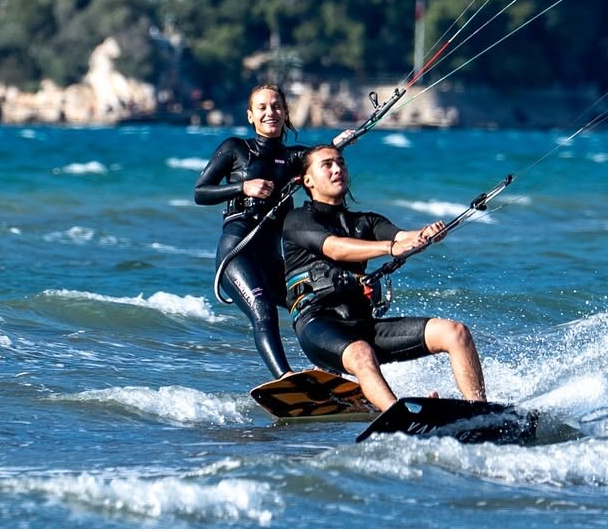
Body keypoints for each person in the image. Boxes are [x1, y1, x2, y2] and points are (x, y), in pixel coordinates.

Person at [282, 144, 487, 412]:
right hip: (318, 324)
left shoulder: (366, 221)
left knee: (455, 333)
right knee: (361, 352)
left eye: (341, 163)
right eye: (327, 165)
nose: (337, 169)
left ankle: (481, 411)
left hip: (363, 324)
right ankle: (397, 415)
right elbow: (335, 248)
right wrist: (390, 248)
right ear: (307, 180)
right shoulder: (297, 220)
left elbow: (403, 237)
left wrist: (425, 234)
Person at [194, 83, 306, 378]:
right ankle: (286, 379)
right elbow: (200, 192)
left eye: (277, 106)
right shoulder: (236, 149)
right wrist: (243, 186)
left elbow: (324, 160)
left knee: (311, 305)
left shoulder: (295, 158)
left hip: (272, 260)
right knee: (264, 310)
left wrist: (338, 145)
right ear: (250, 116)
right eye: (263, 108)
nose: (271, 112)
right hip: (237, 253)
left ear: (285, 112)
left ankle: (343, 371)